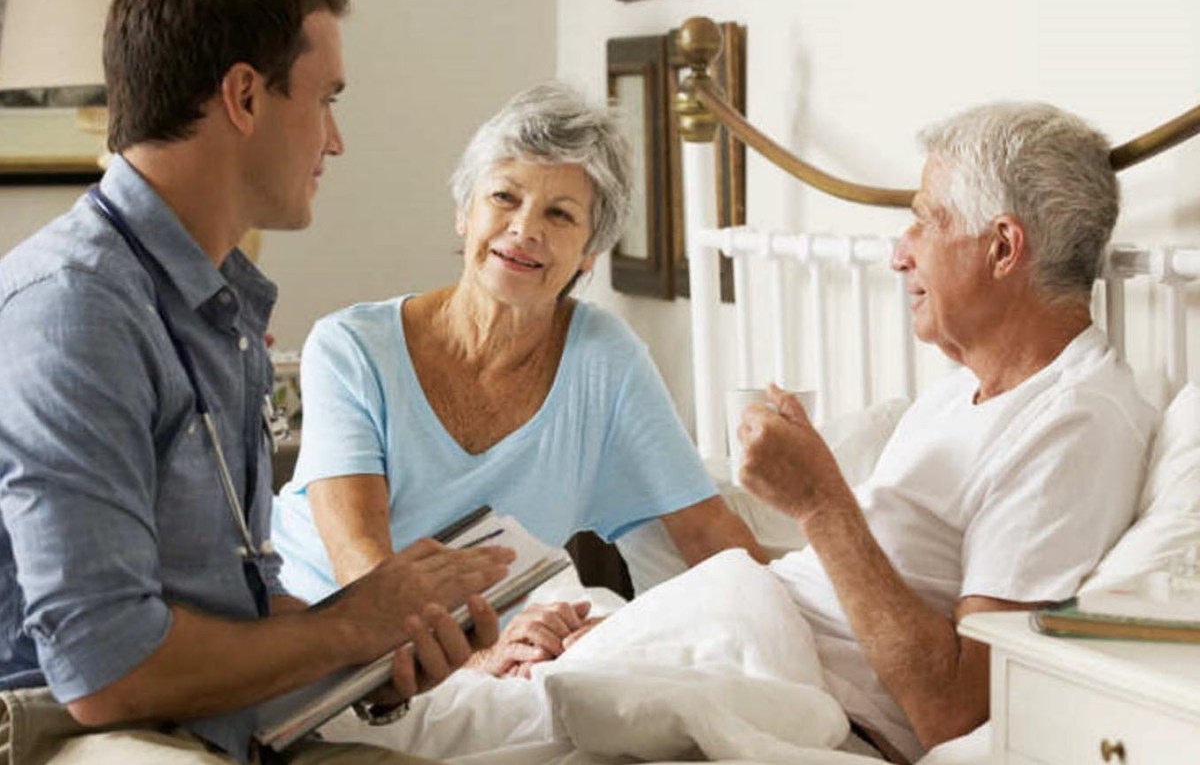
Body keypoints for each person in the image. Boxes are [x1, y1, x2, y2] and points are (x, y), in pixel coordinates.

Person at [0, 0, 513, 764]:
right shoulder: (73, 310)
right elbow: (105, 667)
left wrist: (378, 647)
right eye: (325, 99)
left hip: (223, 725)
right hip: (91, 736)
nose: (335, 140)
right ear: (244, 95)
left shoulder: (218, 306)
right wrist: (350, 622)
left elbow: (232, 608)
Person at [270, 82, 765, 672]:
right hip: (331, 648)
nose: (525, 228)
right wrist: (479, 659)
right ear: (464, 213)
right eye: (504, 197)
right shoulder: (351, 348)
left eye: (560, 214)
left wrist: (807, 640)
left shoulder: (604, 360)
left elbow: (708, 535)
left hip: (497, 656)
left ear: (590, 252)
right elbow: (365, 575)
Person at [734, 102, 1157, 762]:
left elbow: (959, 712)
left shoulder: (1077, 423)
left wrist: (820, 503)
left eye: (925, 220)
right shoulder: (957, 393)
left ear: (1002, 247)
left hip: (799, 705)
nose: (899, 253)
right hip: (739, 643)